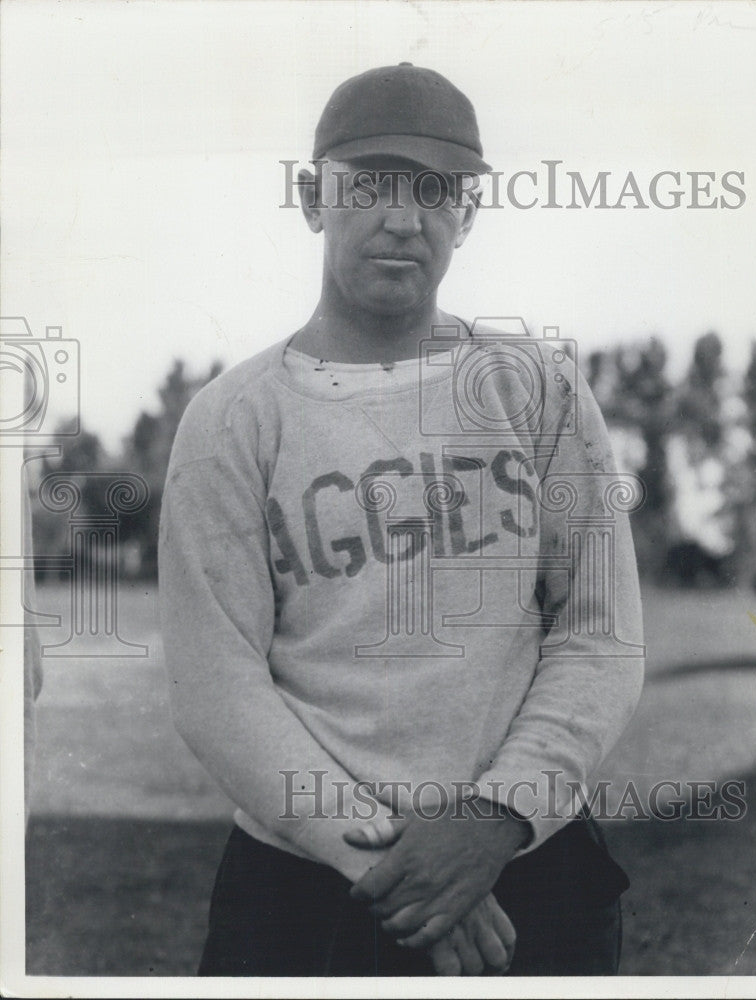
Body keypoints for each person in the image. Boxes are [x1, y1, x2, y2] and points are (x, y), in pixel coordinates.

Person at [159, 63, 645, 976]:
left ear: (468, 212)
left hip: (528, 868)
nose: (403, 217)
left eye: (436, 191)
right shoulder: (234, 418)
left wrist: (491, 819)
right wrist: (390, 861)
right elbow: (215, 684)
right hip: (302, 883)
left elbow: (598, 634)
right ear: (312, 197)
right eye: (371, 183)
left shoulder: (535, 387)